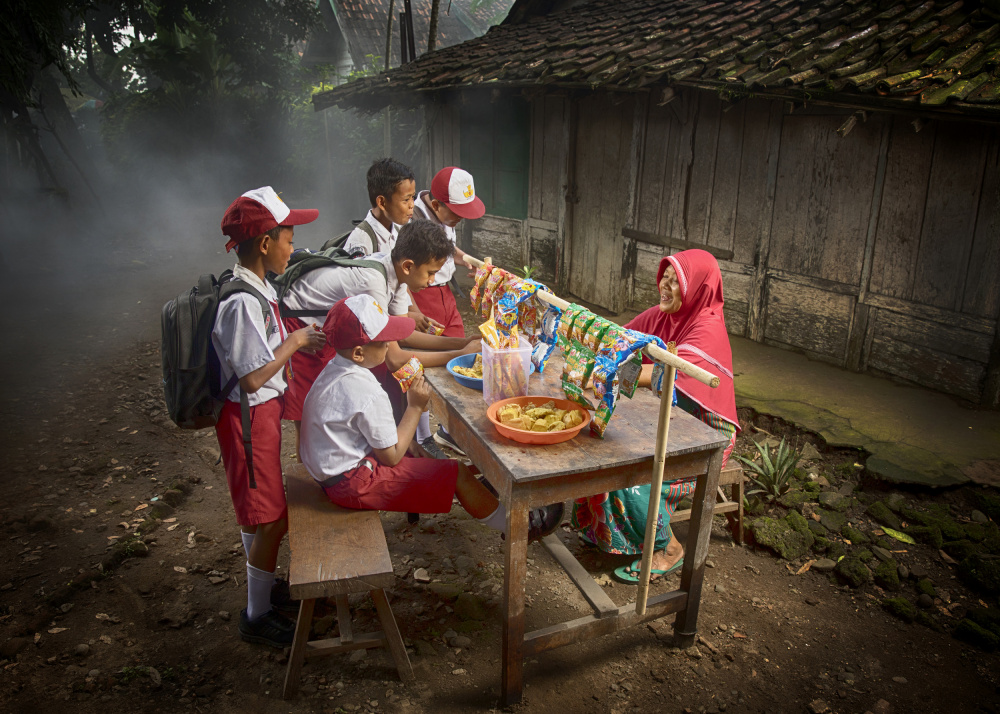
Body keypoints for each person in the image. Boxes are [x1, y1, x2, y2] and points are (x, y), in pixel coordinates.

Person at [299, 294, 564, 538]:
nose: (391, 346)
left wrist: (410, 443)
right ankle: (518, 529)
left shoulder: (335, 370)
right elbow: (390, 457)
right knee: (457, 472)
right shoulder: (366, 390)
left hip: (331, 470)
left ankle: (483, 491)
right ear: (359, 353)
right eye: (385, 342)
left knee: (415, 449)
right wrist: (414, 407)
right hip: (351, 483)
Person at [570, 249, 740, 583]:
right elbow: (618, 338)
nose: (666, 285)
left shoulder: (707, 328)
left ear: (699, 289)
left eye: (677, 281)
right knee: (600, 445)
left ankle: (669, 547)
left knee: (630, 468)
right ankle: (606, 537)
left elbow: (669, 373)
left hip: (707, 435)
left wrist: (603, 375)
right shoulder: (663, 315)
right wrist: (583, 336)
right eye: (665, 275)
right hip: (667, 417)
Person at [214, 187, 328, 646]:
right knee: (272, 515)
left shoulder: (259, 287)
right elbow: (251, 377)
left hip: (256, 417)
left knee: (255, 509)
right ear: (264, 243)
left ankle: (259, 586)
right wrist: (297, 343)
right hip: (248, 417)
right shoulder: (242, 301)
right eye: (288, 237)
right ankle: (256, 614)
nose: (293, 247)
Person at [280, 219, 480, 454]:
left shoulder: (395, 274)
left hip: (328, 325)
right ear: (408, 266)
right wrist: (458, 354)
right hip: (301, 325)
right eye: (431, 273)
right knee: (308, 415)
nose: (432, 280)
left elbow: (403, 335)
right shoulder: (374, 282)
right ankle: (310, 478)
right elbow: (394, 357)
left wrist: (462, 342)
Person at [409, 167, 484, 457]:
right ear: (437, 205)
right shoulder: (412, 222)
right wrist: (413, 310)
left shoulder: (443, 214)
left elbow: (448, 245)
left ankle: (449, 432)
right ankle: (423, 435)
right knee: (426, 366)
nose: (460, 218)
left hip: (445, 294)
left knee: (461, 357)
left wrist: (464, 259)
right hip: (422, 294)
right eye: (456, 212)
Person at [342, 158, 415, 258]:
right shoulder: (361, 241)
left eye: (413, 197)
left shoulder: (404, 230)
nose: (412, 205)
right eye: (406, 200)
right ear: (382, 202)